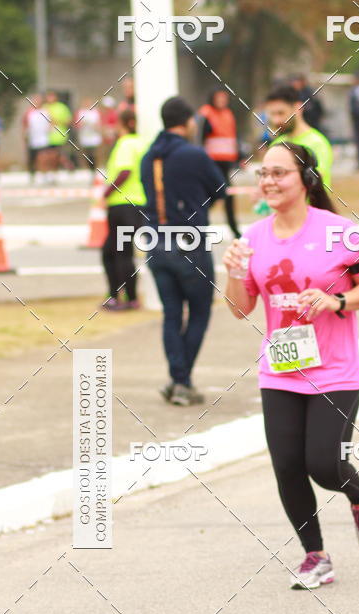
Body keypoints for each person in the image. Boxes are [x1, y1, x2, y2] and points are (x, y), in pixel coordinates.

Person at [222, 143, 359, 589]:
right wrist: (234, 274)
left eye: (280, 173)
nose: (269, 181)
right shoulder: (253, 238)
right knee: (287, 466)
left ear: (305, 179)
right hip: (279, 370)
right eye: (263, 173)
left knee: (323, 463)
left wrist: (337, 300)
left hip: (335, 371)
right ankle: (316, 557)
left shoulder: (342, 232)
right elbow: (240, 310)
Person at [141, 96, 225, 407]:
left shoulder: (149, 157)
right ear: (188, 121)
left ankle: (178, 379)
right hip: (190, 241)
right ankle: (181, 381)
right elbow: (221, 189)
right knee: (201, 311)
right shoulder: (194, 154)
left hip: (155, 241)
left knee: (171, 314)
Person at [102, 109, 147, 311]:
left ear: (126, 123)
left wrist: (107, 192)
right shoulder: (142, 143)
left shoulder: (126, 143)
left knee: (119, 252)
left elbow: (125, 170)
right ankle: (120, 296)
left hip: (123, 204)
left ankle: (127, 298)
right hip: (137, 204)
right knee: (115, 251)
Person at [264, 84, 333, 189]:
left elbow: (313, 183)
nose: (276, 120)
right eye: (272, 114)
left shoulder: (317, 143)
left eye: (281, 113)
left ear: (298, 108)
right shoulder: (276, 144)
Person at [198, 89, 243, 239]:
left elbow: (234, 137)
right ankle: (198, 223)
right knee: (219, 193)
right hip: (211, 162)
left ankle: (233, 229)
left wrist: (240, 157)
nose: (222, 101)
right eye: (219, 98)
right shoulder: (206, 113)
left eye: (225, 98)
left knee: (225, 194)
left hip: (226, 162)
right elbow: (200, 137)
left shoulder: (228, 114)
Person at [22, 94, 50, 181]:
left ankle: (44, 175)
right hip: (32, 139)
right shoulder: (29, 112)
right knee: (32, 159)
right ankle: (32, 174)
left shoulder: (46, 112)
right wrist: (24, 135)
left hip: (43, 139)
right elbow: (25, 124)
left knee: (43, 158)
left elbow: (51, 122)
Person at [45, 90, 72, 176]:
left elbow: (69, 121)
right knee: (50, 156)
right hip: (47, 136)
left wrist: (57, 122)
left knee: (56, 154)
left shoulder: (62, 107)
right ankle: (54, 172)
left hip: (59, 135)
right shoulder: (44, 107)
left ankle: (67, 166)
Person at [74, 98, 102, 170]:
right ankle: (85, 169)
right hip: (84, 136)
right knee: (84, 154)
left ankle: (97, 168)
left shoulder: (95, 112)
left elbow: (99, 124)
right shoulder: (80, 112)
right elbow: (76, 124)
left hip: (94, 136)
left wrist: (94, 126)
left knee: (96, 154)